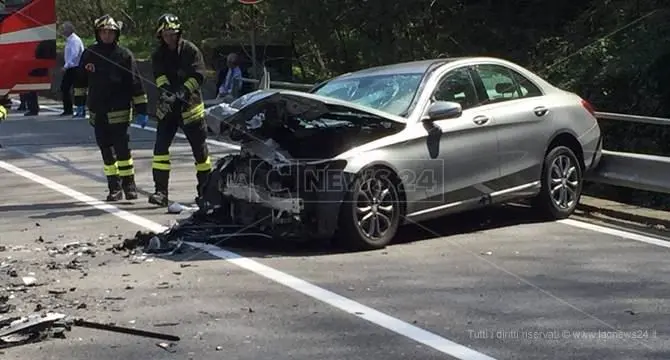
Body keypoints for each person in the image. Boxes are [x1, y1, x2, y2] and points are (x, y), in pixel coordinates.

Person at [73, 14, 149, 201]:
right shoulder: (90, 54)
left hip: (120, 110)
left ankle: (129, 185)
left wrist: (142, 110)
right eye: (103, 32)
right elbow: (81, 81)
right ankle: (114, 187)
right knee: (106, 150)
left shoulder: (124, 55)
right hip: (98, 110)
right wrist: (80, 103)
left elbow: (136, 83)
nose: (107, 35)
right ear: (98, 33)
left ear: (117, 34)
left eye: (111, 32)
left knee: (122, 150)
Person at [149, 13, 211, 207]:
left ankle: (206, 193)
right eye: (166, 34)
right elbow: (159, 75)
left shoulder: (190, 50)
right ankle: (161, 192)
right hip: (168, 109)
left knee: (200, 154)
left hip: (191, 108)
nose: (170, 37)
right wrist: (167, 91)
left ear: (179, 33)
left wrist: (184, 90)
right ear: (160, 35)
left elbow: (200, 74)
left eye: (173, 34)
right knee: (160, 150)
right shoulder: (158, 54)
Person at [60, 21, 85, 117]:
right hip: (71, 67)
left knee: (76, 89)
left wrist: (66, 66)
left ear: (70, 29)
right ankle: (69, 109)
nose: (63, 31)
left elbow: (74, 55)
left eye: (64, 29)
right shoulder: (69, 40)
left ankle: (75, 109)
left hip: (75, 68)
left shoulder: (74, 40)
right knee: (66, 88)